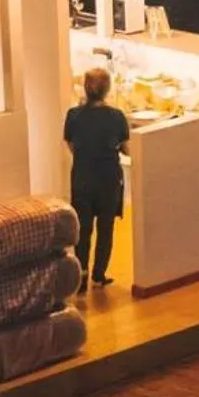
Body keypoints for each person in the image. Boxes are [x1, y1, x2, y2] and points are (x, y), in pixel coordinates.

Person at [64, 67, 129, 288]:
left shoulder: (73, 116)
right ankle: (99, 274)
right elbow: (126, 149)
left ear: (85, 88)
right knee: (106, 227)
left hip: (82, 178)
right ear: (107, 90)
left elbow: (71, 144)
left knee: (83, 228)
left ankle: (81, 275)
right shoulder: (117, 117)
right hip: (108, 179)